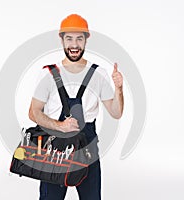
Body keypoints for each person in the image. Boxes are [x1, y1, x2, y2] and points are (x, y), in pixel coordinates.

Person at [28, 14, 124, 200]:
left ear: (86, 40)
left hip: (87, 146)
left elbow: (116, 112)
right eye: (69, 38)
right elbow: (33, 113)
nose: (74, 44)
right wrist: (60, 125)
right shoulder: (48, 73)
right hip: (54, 147)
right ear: (62, 40)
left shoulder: (99, 74)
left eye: (79, 38)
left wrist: (119, 89)